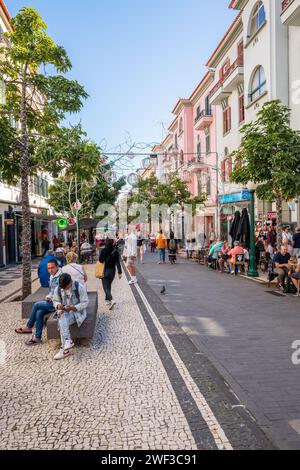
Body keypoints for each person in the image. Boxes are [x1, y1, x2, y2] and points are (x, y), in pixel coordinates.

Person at [15, 260, 62, 345]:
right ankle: (37, 338)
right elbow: (52, 291)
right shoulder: (52, 276)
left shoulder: (60, 277)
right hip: (53, 301)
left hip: (59, 304)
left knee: (36, 305)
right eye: (48, 268)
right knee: (39, 312)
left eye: (52, 268)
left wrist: (51, 297)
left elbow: (60, 294)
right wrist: (49, 296)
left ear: (57, 267)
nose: (50, 270)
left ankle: (29, 326)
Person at [53, 274, 89, 360]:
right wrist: (58, 306)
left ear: (70, 282)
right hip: (65, 312)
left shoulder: (79, 287)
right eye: (63, 288)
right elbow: (55, 300)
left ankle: (64, 349)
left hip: (78, 313)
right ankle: (67, 341)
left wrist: (73, 308)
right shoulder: (59, 288)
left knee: (61, 320)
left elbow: (85, 302)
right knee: (61, 316)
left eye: (66, 287)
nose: (64, 289)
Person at [99, 238, 122, 309]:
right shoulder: (116, 251)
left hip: (104, 270)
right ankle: (107, 300)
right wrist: (119, 272)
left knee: (105, 287)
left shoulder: (103, 250)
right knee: (108, 285)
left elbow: (100, 260)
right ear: (112, 243)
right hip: (112, 271)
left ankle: (111, 300)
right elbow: (118, 262)